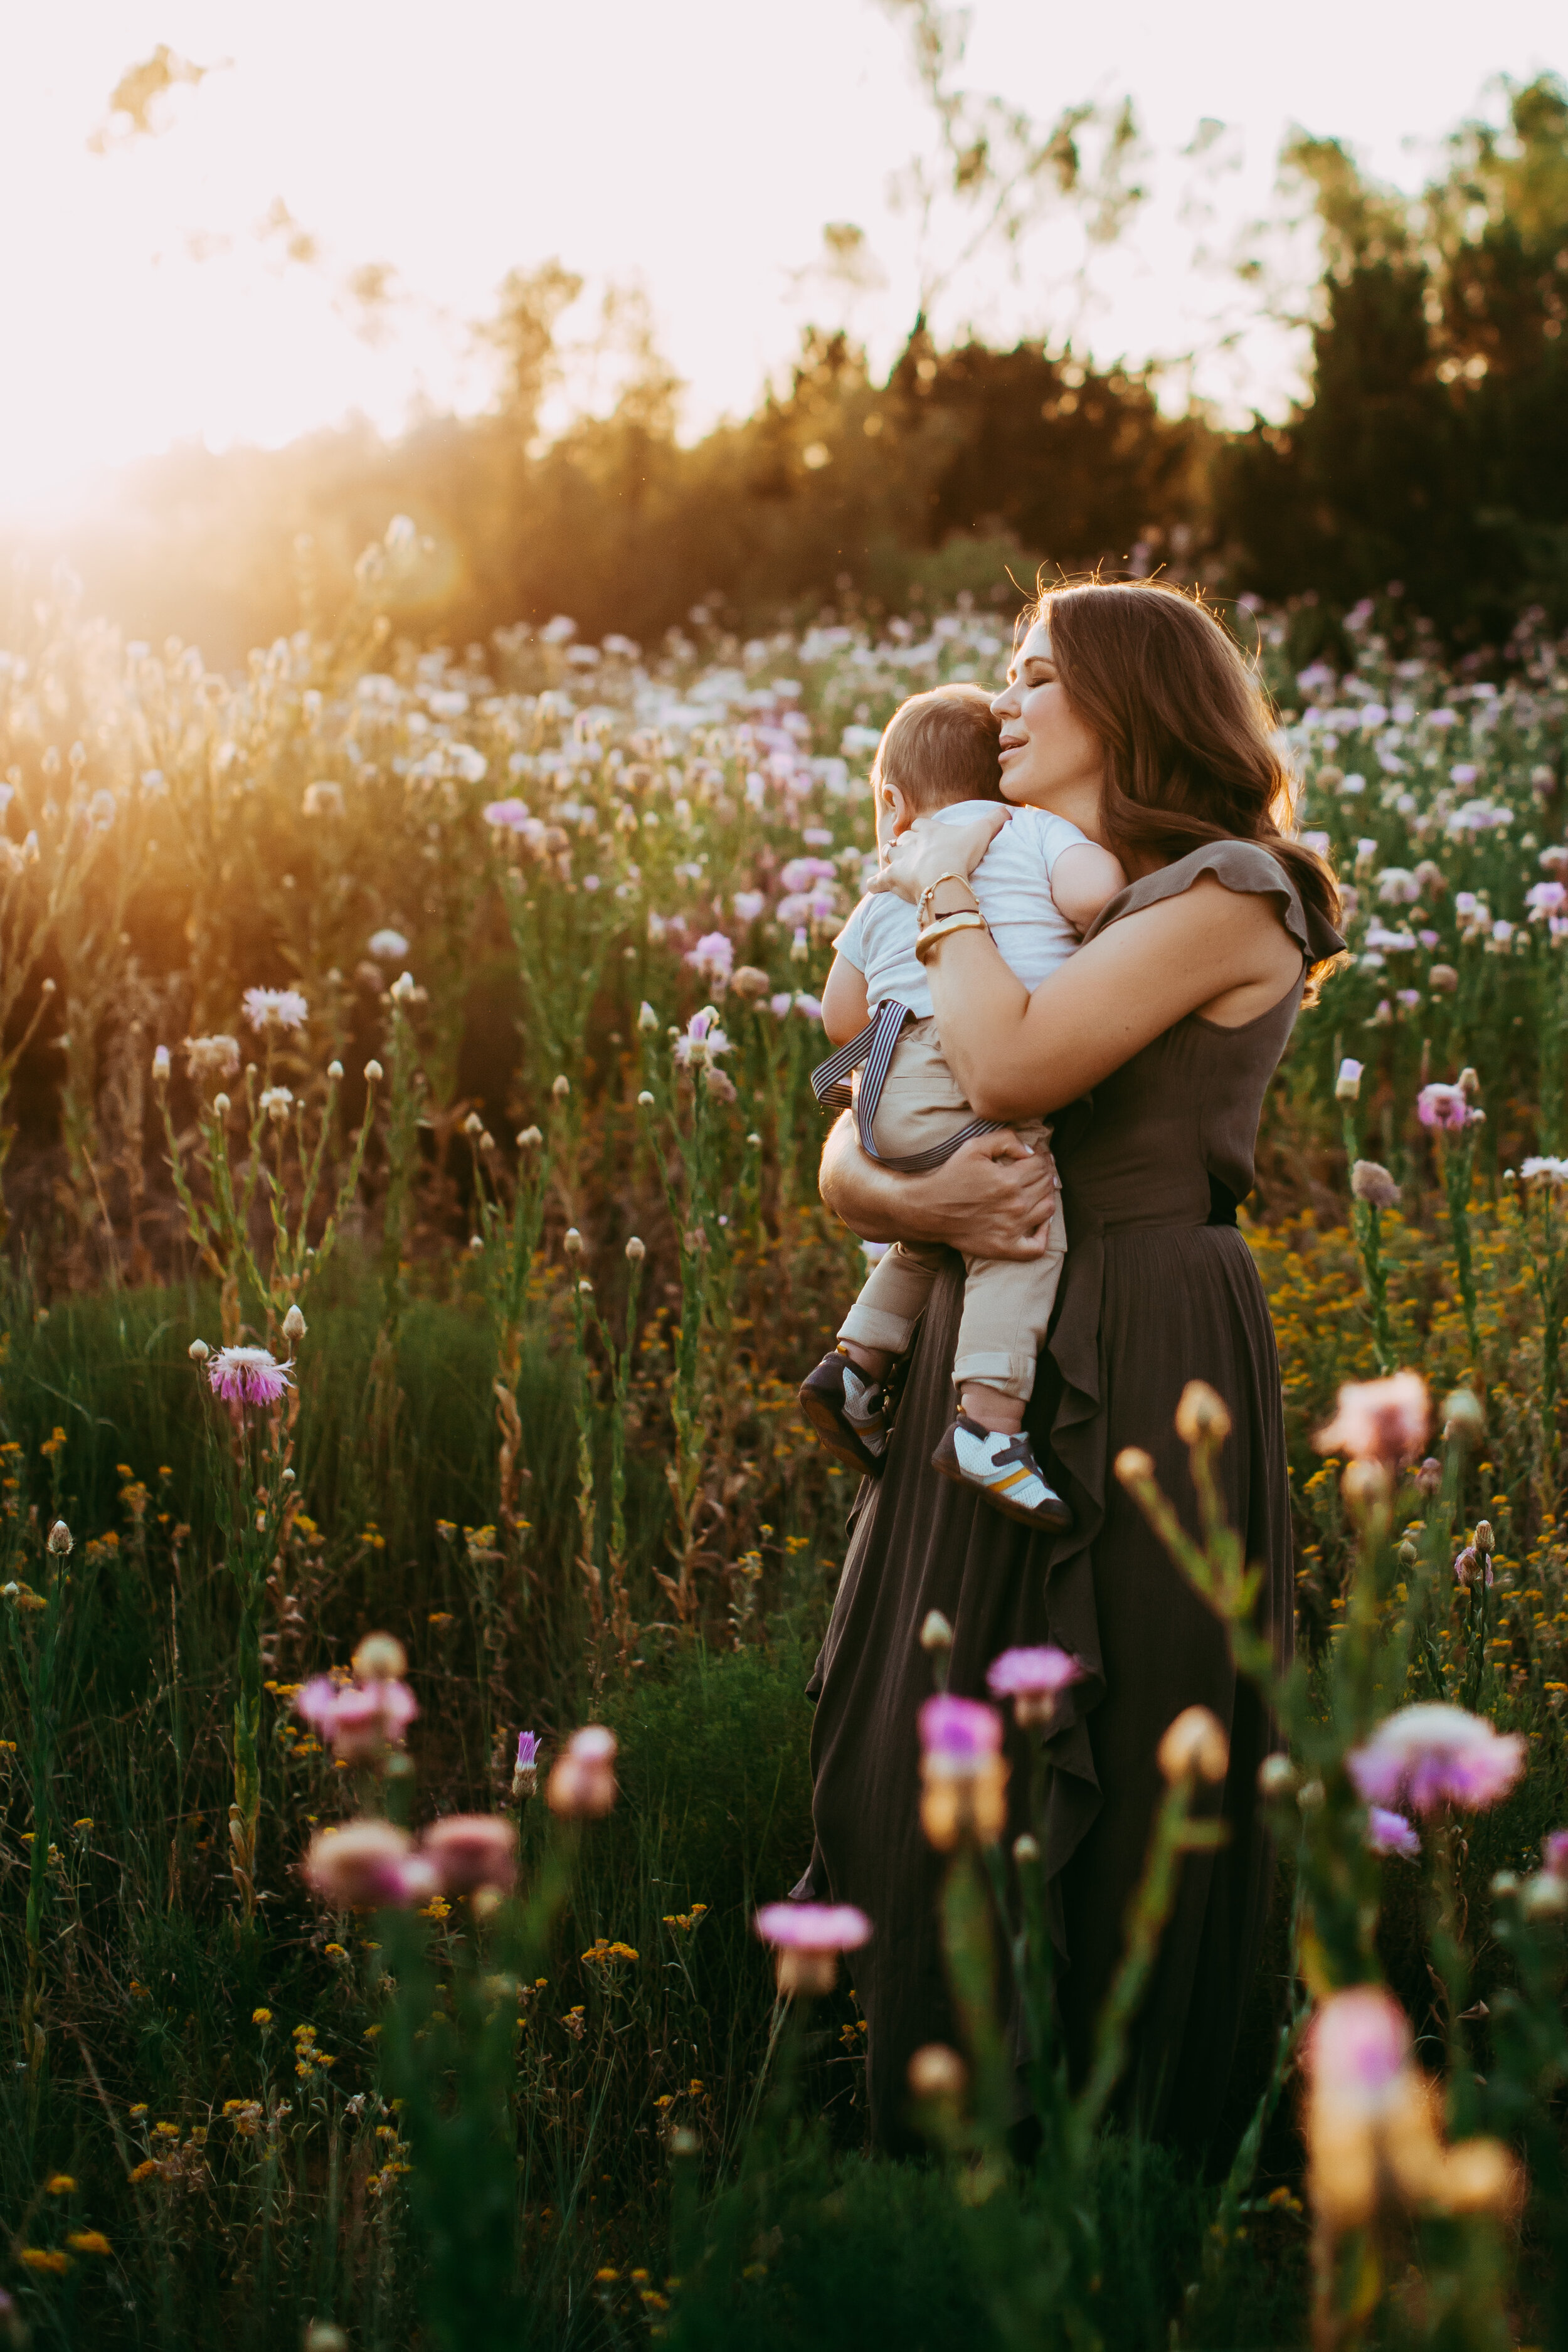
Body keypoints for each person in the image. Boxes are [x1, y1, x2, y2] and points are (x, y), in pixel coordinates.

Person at [800, 578, 1343, 2157]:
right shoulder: (1033, 880)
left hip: (1143, 1329)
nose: (1004, 705)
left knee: (1130, 1706)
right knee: (920, 1710)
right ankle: (925, 2137)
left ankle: (1120, 2165)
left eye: (1038, 677)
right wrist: (912, 1195)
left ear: (1129, 700)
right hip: (995, 1314)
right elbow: (851, 1122)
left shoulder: (1226, 897)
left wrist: (948, 888)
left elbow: (1016, 1064)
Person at [798, 681, 1125, 1530]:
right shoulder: (1035, 830)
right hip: (974, 1068)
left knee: (941, 1227)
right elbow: (1096, 898)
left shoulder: (888, 880)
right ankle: (989, 1423)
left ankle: (855, 1362)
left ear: (893, 802)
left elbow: (842, 1018)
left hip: (891, 1091)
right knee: (1022, 1225)